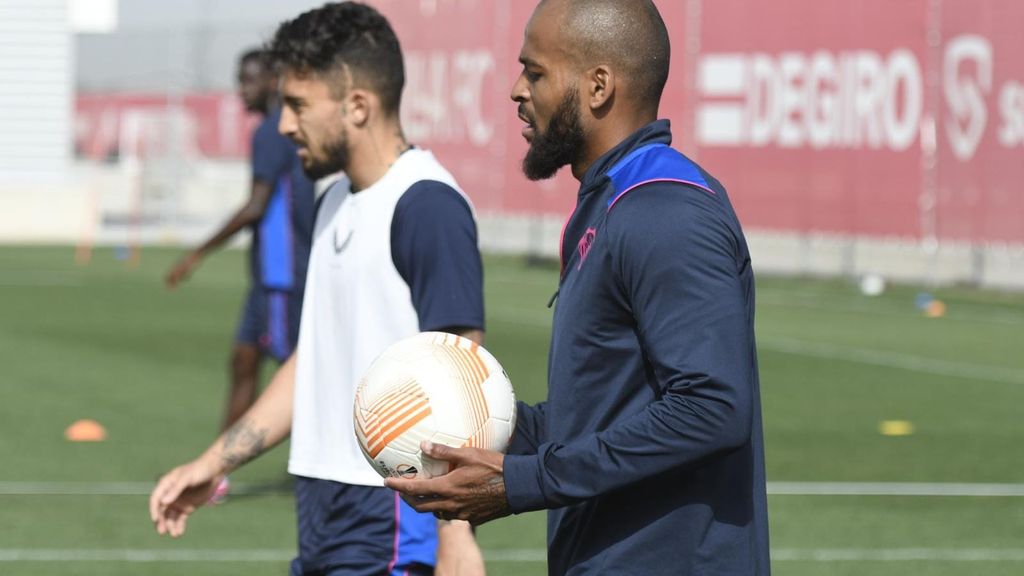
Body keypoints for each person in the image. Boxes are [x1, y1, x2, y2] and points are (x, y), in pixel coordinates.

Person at [386, 0, 771, 574]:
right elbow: (594, 416)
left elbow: (711, 407)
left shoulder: (664, 210)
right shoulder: (606, 204)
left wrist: (521, 482)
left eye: (535, 71)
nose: (517, 89)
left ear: (597, 86)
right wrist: (463, 419)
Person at [149, 3, 486, 575]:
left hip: (393, 511)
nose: (283, 125)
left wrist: (457, 533)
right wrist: (215, 460)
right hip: (322, 503)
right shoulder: (334, 199)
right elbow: (315, 363)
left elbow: (465, 378)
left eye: (299, 106)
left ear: (358, 105)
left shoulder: (425, 204)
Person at [165, 49, 315, 489]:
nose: (241, 88)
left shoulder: (273, 132)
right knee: (243, 361)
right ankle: (217, 472)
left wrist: (196, 253)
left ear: (274, 79)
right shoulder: (277, 129)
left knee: (300, 375)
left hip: (284, 277)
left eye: (249, 78)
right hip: (270, 277)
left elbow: (255, 206)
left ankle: (331, 471)